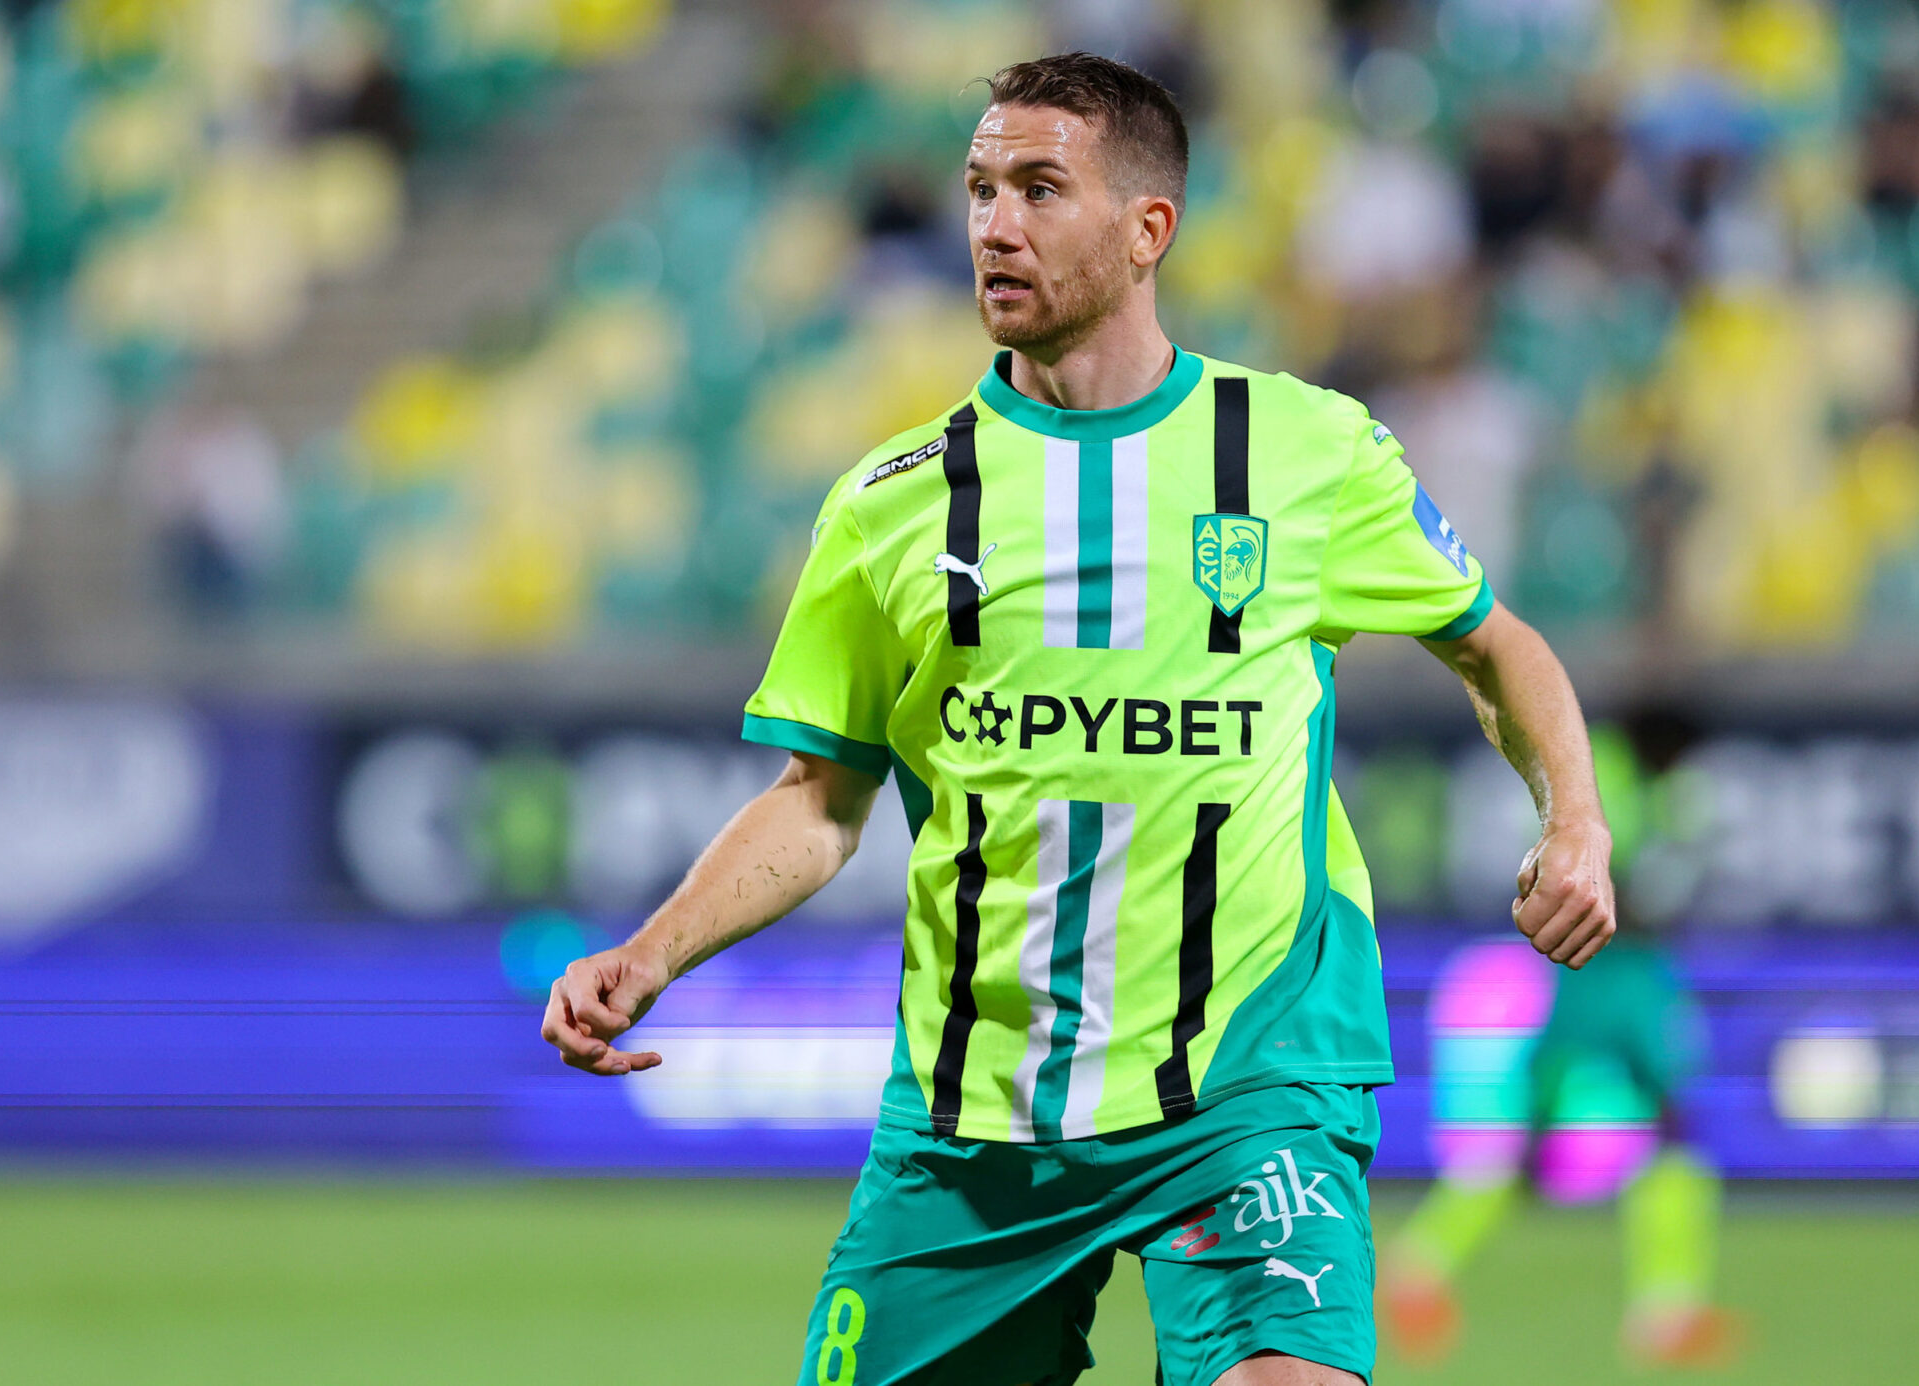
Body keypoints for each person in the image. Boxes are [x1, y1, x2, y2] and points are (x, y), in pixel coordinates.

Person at [542, 52, 1616, 1386]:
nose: (995, 224)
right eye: (980, 188)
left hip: (1244, 1083)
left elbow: (1495, 643)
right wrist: (649, 954)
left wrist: (1573, 818)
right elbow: (818, 801)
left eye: (1039, 189)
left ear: (1147, 227)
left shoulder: (1304, 451)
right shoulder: (890, 504)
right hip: (977, 1113)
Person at [1380, 709, 1733, 1369]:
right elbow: (1597, 881)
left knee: (1624, 1138)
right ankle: (1663, 1312)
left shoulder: (1640, 783)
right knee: (1652, 1133)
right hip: (1607, 977)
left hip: (1605, 975)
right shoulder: (1607, 781)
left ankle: (1421, 1268)